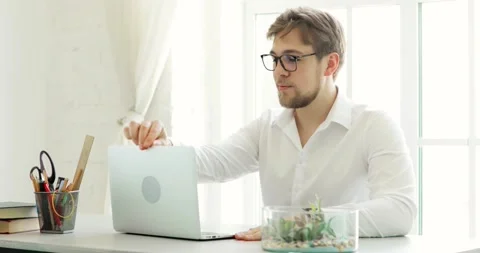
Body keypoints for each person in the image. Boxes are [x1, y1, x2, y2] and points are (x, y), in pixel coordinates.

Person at [123, 6, 417, 241]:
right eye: (275, 59)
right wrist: (164, 146)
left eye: (292, 59)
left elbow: (399, 210)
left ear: (330, 64)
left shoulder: (373, 125)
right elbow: (214, 162)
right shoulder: (267, 127)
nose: (279, 72)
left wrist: (299, 223)